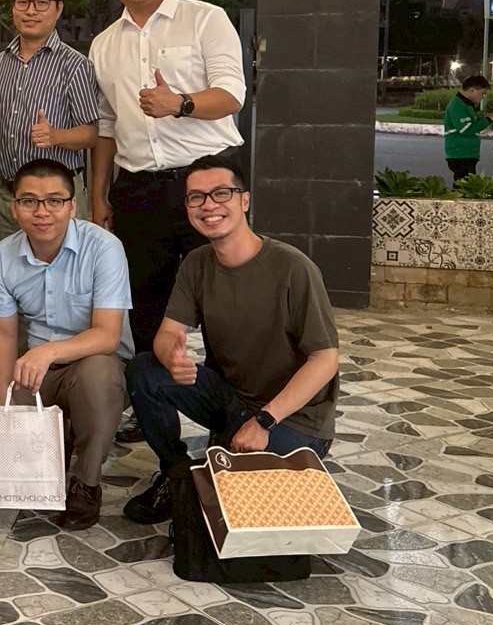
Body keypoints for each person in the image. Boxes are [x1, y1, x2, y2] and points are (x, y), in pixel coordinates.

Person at [124, 155, 341, 524]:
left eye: (221, 193)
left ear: (245, 200)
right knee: (145, 369)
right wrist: (171, 356)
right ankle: (176, 475)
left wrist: (265, 421)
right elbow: (168, 333)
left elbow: (325, 359)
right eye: (196, 197)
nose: (209, 205)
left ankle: (241, 464)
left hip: (294, 418)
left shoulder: (293, 268)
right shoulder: (196, 264)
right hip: (231, 400)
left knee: (234, 512)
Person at [88, 0, 246, 359]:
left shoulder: (206, 19)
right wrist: (99, 196)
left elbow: (232, 95)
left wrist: (179, 103)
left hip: (207, 182)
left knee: (224, 299)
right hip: (138, 188)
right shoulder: (102, 45)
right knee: (144, 305)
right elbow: (106, 127)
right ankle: (152, 392)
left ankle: (230, 392)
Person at [0, 159, 133, 531]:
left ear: (72, 206)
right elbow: (4, 334)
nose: (42, 211)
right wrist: (5, 400)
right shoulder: (4, 255)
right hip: (39, 372)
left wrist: (48, 351)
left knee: (97, 376)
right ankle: (56, 444)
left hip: (96, 364)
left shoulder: (104, 248)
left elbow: (107, 335)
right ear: (14, 208)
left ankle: (87, 482)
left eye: (55, 200)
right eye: (29, 201)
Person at [0, 0, 100, 240]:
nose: (30, 10)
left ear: (58, 9)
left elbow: (91, 134)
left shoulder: (75, 65)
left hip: (56, 200)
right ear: (13, 8)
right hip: (6, 199)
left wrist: (55, 136)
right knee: (4, 265)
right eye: (22, 2)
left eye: (41, 2)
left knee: (65, 266)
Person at [443, 74, 493, 182]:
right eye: (482, 93)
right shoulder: (457, 105)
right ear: (472, 90)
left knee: (465, 184)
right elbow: (466, 129)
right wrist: (489, 119)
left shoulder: (465, 104)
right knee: (464, 186)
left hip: (465, 154)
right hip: (460, 154)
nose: (483, 97)